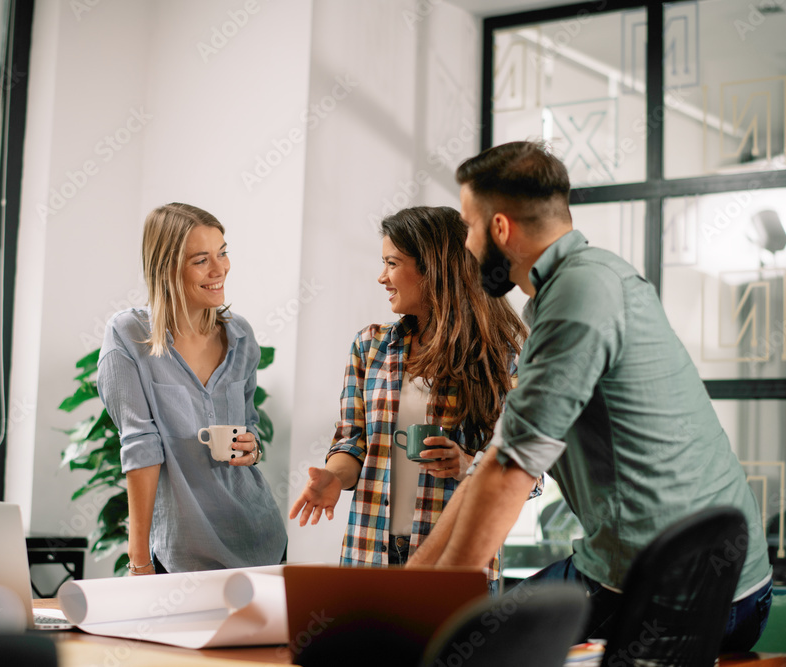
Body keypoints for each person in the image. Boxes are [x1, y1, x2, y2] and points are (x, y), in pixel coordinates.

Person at [407, 141, 773, 651]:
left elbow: (513, 471)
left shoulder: (578, 297)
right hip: (709, 584)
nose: (466, 247)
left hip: (678, 599)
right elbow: (491, 462)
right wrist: (410, 585)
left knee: (470, 645)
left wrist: (430, 610)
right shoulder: (586, 282)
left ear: (499, 229)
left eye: (468, 227)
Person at [289, 206, 532, 594]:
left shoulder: (501, 355)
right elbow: (352, 442)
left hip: (455, 560)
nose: (382, 276)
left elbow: (527, 474)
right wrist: (334, 477)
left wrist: (467, 465)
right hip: (369, 552)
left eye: (392, 263)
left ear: (433, 268)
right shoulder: (369, 345)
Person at [98, 202, 287, 575]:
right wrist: (139, 562)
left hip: (260, 540)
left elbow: (249, 425)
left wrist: (252, 446)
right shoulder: (128, 336)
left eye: (223, 253)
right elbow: (140, 448)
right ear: (166, 267)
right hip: (182, 555)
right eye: (202, 260)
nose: (220, 269)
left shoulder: (240, 335)